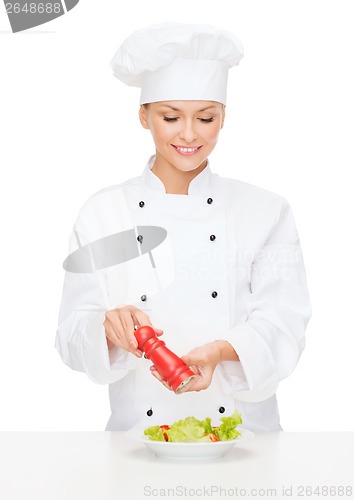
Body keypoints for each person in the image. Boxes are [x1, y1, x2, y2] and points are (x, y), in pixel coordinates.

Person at [56, 23, 311, 432]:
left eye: (206, 117)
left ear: (224, 116)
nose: (189, 134)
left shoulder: (265, 211)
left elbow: (284, 324)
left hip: (244, 438)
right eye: (170, 117)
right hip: (137, 439)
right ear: (143, 116)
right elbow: (70, 334)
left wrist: (220, 351)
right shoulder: (103, 213)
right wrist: (105, 328)